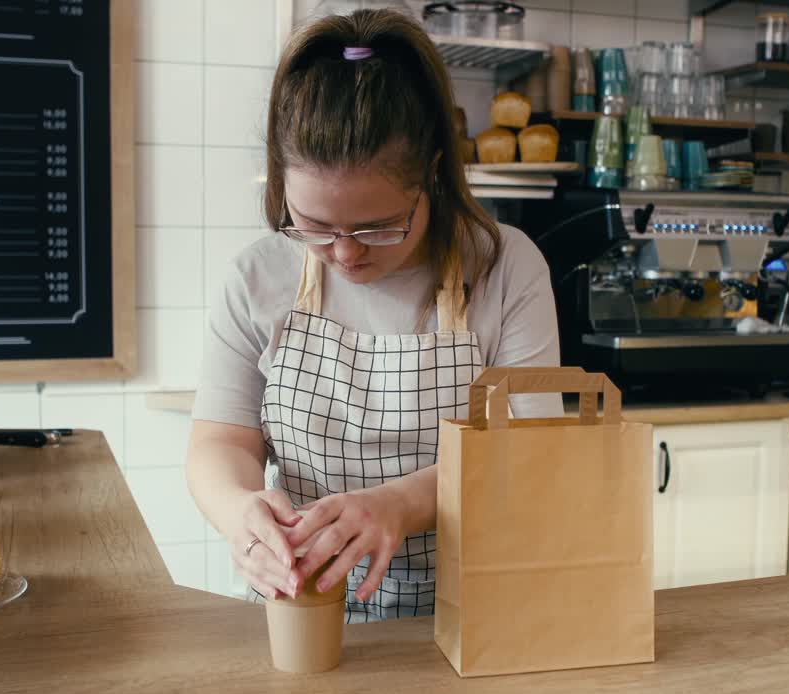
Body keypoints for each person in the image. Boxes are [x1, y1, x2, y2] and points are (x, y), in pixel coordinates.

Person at [186, 9, 560, 623]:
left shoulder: (504, 265)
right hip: (303, 613)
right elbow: (220, 441)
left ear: (432, 177)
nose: (345, 252)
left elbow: (530, 451)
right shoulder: (255, 278)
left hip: (471, 617)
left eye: (379, 226)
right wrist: (240, 512)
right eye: (313, 226)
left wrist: (401, 504)